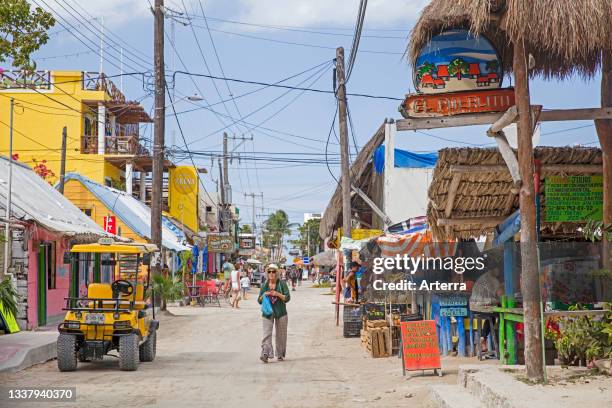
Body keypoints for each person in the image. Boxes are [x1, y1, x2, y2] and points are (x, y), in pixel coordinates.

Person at [258, 264, 291, 363]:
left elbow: (287, 298)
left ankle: (280, 354)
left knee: (281, 334)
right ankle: (265, 353)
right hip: (267, 313)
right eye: (269, 272)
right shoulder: (264, 285)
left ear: (277, 273)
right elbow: (259, 300)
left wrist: (277, 294)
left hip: (281, 312)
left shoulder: (282, 284)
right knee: (266, 334)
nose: (271, 273)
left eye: (273, 271)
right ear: (267, 273)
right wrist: (264, 294)